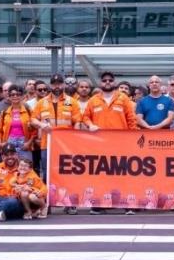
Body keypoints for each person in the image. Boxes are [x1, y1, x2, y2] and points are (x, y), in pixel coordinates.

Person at [83, 71, 138, 214]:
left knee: (122, 174)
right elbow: (85, 118)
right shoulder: (93, 100)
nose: (107, 82)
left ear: (114, 82)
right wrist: (90, 125)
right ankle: (99, 204)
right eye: (104, 80)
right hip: (99, 146)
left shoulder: (123, 99)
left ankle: (127, 204)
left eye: (110, 80)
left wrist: (132, 139)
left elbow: (131, 120)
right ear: (100, 83)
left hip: (121, 145)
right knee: (101, 175)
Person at [32, 74, 82, 187]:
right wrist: (41, 124)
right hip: (47, 144)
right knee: (47, 172)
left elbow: (78, 121)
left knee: (66, 172)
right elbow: (33, 119)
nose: (57, 86)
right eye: (54, 84)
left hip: (66, 144)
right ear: (50, 85)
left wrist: (76, 141)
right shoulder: (42, 102)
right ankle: (48, 199)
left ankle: (68, 201)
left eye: (59, 83)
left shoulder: (72, 102)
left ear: (63, 84)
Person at [0, 84, 34, 162]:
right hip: (9, 142)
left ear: (23, 96)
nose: (15, 96)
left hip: (24, 143)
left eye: (18, 94)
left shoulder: (29, 111)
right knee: (10, 167)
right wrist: (0, 143)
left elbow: (34, 130)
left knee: (26, 168)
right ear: (9, 97)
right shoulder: (4, 112)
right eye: (12, 94)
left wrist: (29, 143)